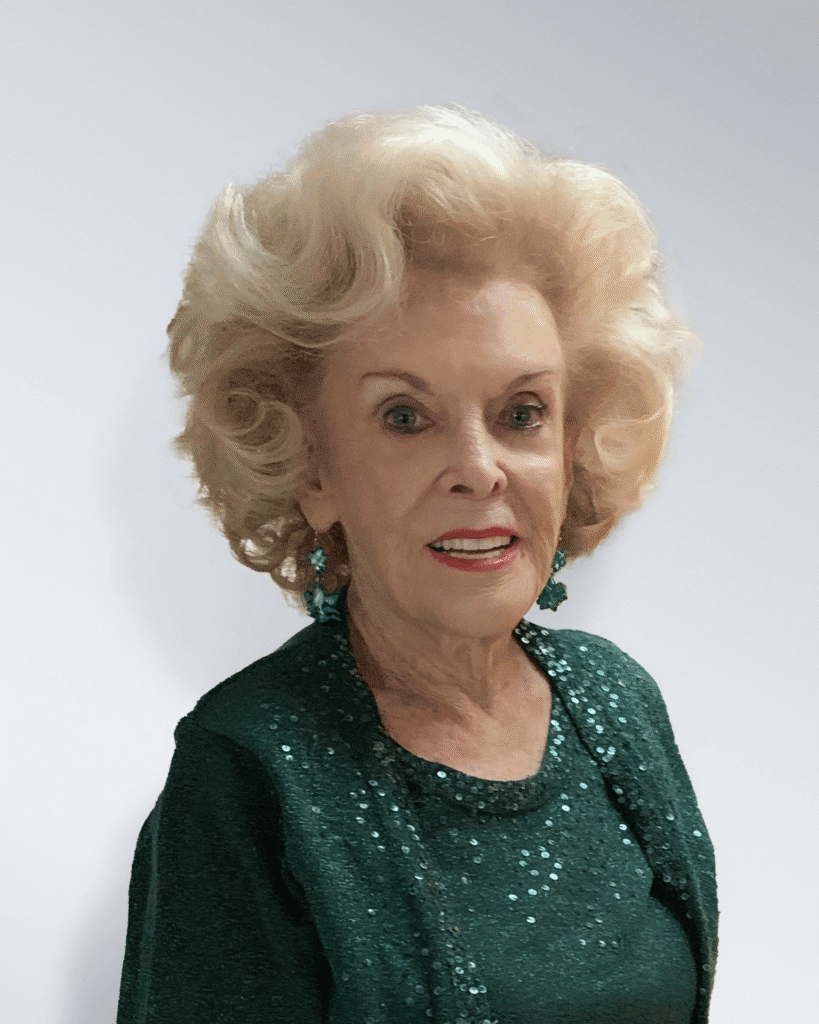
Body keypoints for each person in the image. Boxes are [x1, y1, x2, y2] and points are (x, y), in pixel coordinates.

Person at [116, 103, 718, 1024]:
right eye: (406, 416)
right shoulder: (249, 769)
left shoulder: (617, 704)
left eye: (522, 413)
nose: (479, 470)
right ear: (311, 468)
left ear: (573, 444)